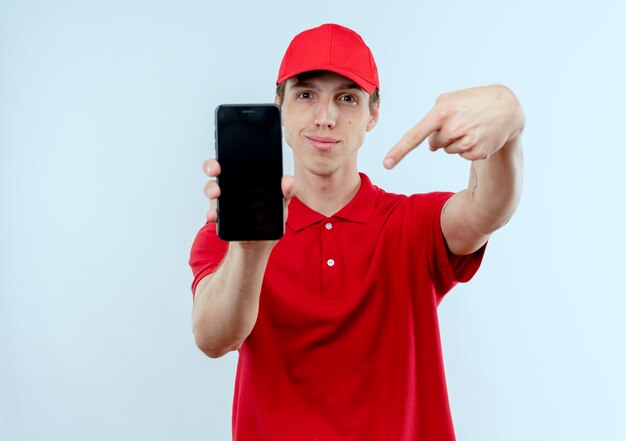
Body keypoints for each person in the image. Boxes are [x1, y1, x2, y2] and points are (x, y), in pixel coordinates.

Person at [189, 23, 524, 441]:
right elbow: (212, 337)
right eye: (306, 94)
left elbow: (487, 209)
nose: (325, 118)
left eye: (346, 98)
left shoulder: (411, 223)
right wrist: (251, 251)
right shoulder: (230, 233)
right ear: (280, 106)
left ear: (373, 114)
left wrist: (508, 124)